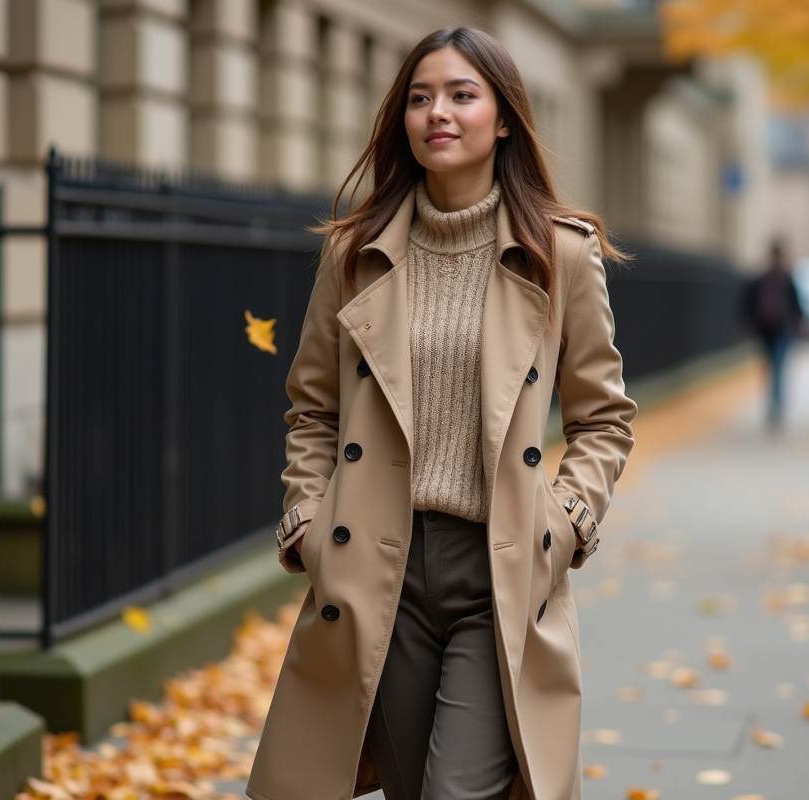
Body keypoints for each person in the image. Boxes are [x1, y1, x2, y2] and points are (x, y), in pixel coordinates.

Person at [245, 26, 636, 800]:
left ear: (504, 119)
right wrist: (308, 522)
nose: (438, 113)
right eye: (420, 98)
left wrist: (564, 527)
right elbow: (314, 410)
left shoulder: (560, 254)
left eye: (462, 95)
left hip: (500, 566)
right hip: (372, 568)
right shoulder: (353, 253)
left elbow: (603, 420)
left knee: (458, 791)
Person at [743, 238, 804, 428]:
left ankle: (774, 405)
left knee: (773, 368)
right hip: (777, 330)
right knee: (776, 368)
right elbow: (796, 305)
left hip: (770, 330)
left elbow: (748, 302)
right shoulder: (785, 278)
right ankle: (776, 406)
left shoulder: (764, 278)